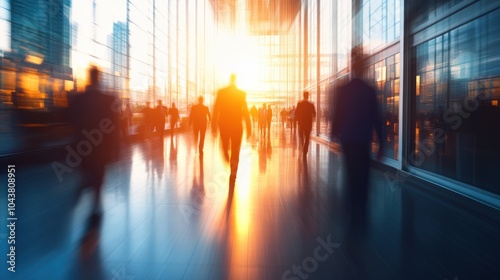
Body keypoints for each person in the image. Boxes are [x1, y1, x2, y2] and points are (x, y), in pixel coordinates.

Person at [331, 46, 384, 234]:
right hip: (362, 140)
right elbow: (377, 117)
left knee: (350, 175)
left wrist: (334, 134)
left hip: (348, 139)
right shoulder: (369, 91)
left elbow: (337, 114)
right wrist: (382, 143)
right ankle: (360, 213)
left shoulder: (343, 90)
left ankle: (352, 211)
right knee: (363, 177)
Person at [69, 65, 120, 218]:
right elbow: (114, 126)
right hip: (102, 145)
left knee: (87, 167)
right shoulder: (108, 100)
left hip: (82, 144)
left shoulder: (78, 99)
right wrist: (115, 147)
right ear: (99, 78)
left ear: (89, 78)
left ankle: (86, 181)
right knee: (100, 172)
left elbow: (70, 121)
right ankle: (96, 200)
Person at [211, 74, 251, 187]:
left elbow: (216, 108)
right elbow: (246, 111)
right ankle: (233, 172)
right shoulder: (240, 94)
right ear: (235, 80)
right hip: (237, 126)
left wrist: (214, 125)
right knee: (235, 151)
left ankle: (232, 174)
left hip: (224, 125)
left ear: (230, 80)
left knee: (225, 146)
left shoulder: (222, 92)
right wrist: (248, 127)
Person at [295, 91, 316, 157]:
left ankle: (302, 144)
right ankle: (305, 150)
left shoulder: (299, 104)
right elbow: (314, 113)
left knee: (301, 135)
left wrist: (299, 119)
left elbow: (296, 113)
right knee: (307, 137)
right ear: (308, 96)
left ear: (303, 96)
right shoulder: (311, 104)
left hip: (301, 123)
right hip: (308, 124)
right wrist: (312, 119)